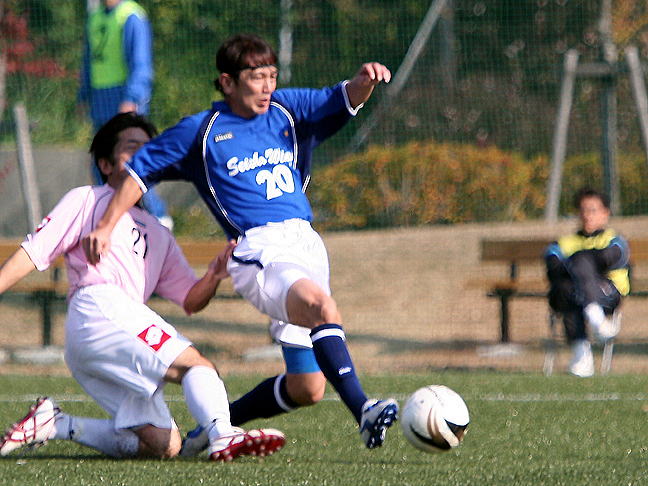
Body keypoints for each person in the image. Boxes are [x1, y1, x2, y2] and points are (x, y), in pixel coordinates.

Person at [81, 33, 399, 450]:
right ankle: (365, 411)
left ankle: (213, 428)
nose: (267, 86)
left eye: (272, 75)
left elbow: (340, 98)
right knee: (322, 308)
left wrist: (365, 81)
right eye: (256, 77)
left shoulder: (286, 109)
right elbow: (138, 172)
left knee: (306, 387)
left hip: (306, 244)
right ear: (228, 82)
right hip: (259, 250)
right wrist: (105, 225)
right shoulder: (201, 130)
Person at [0, 113, 285, 461]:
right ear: (105, 165)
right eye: (132, 148)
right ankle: (223, 434)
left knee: (163, 446)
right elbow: (34, 252)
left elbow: (190, 300)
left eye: (149, 150)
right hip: (100, 308)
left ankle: (57, 424)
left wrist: (213, 276)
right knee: (196, 365)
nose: (143, 156)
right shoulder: (88, 199)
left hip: (107, 331)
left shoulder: (157, 231)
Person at [78, 0, 171, 229]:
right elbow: (88, 61)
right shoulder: (95, 17)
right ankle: (112, 223)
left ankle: (159, 221)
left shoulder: (131, 16)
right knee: (102, 167)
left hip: (123, 101)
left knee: (132, 166)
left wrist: (132, 98)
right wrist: (83, 95)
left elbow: (141, 63)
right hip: (101, 101)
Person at [544, 188, 630, 377]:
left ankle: (582, 353)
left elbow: (609, 258)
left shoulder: (615, 240)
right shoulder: (564, 242)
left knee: (580, 266)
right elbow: (552, 263)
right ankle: (590, 332)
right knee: (566, 289)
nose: (587, 215)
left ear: (605, 213)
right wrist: (580, 264)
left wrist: (578, 262)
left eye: (593, 210)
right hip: (571, 294)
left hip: (607, 293)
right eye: (583, 210)